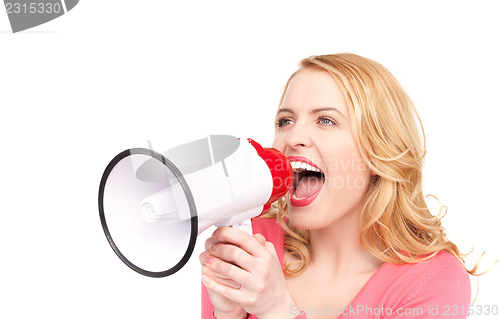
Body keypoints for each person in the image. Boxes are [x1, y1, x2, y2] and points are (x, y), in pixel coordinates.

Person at [199, 53, 473, 318]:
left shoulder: (432, 280)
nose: (293, 137)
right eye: (286, 121)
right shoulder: (249, 243)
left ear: (378, 149)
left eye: (325, 120)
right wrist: (227, 315)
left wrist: (278, 310)